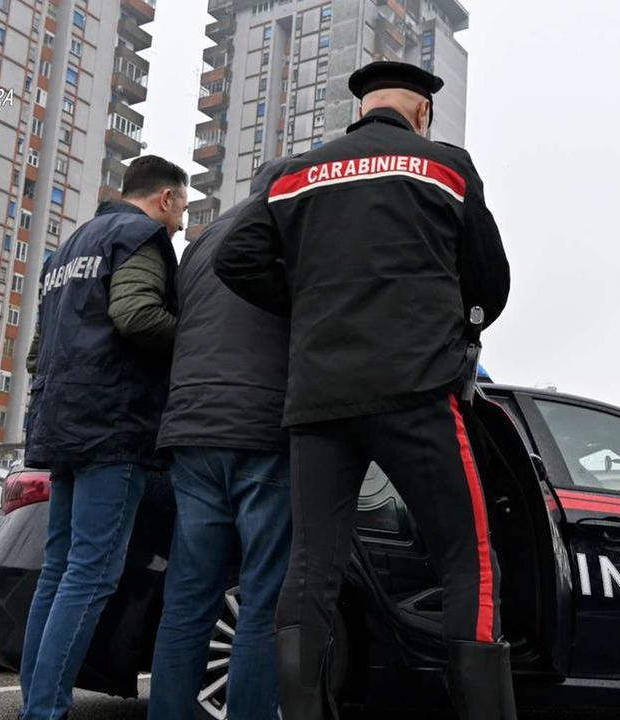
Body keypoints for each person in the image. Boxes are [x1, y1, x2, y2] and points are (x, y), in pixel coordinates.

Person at [214, 61, 513, 720]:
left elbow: (232, 259)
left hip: (320, 399)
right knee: (469, 559)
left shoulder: (295, 174)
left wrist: (313, 304)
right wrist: (454, 327)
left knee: (311, 567)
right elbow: (490, 280)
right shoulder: (445, 165)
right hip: (418, 390)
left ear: (359, 110)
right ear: (422, 112)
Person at [20, 155, 188, 720]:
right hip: (112, 425)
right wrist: (198, 345)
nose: (182, 224)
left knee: (59, 569)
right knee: (91, 575)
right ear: (165, 197)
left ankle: (36, 704)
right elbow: (139, 316)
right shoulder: (140, 236)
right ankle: (44, 712)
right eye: (183, 208)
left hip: (60, 420)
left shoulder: (66, 249)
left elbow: (36, 352)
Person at [148, 163, 293, 720]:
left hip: (191, 431)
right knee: (262, 601)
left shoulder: (202, 242)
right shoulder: (288, 227)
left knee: (187, 599)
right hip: (261, 428)